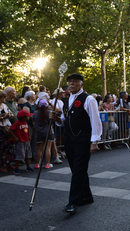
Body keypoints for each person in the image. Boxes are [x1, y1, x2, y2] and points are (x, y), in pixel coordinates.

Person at [52, 73, 102, 214]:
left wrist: (94, 141)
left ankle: (73, 202)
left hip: (83, 140)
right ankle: (86, 196)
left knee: (78, 171)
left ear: (81, 84)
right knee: (77, 170)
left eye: (75, 81)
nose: (71, 84)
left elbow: (95, 120)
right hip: (69, 140)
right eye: (70, 82)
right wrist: (55, 118)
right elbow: (63, 121)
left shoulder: (89, 99)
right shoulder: (66, 101)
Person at [0, 90, 16, 172]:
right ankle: (1, 164)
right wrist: (2, 117)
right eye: (4, 97)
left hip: (7, 127)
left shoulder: (4, 105)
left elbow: (11, 114)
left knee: (10, 146)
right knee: (2, 147)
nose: (5, 98)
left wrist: (9, 115)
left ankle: (8, 163)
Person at [10, 110, 34, 174]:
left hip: (26, 141)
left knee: (27, 155)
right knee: (19, 155)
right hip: (20, 141)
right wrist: (15, 137)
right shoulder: (17, 123)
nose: (28, 117)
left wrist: (29, 136)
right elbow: (11, 129)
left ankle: (28, 166)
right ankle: (16, 168)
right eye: (27, 116)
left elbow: (28, 130)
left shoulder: (26, 123)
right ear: (23, 117)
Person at [33, 99, 56, 169]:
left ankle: (37, 163)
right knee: (47, 147)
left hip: (39, 132)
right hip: (48, 132)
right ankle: (47, 163)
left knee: (39, 148)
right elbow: (51, 122)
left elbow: (33, 122)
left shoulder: (35, 113)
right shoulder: (49, 112)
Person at [22, 91, 37, 160]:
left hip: (35, 124)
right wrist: (35, 115)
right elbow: (26, 115)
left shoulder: (35, 104)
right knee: (29, 140)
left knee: (34, 140)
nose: (35, 96)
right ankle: (28, 156)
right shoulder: (26, 105)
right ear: (30, 96)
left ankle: (34, 155)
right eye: (34, 95)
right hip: (29, 124)